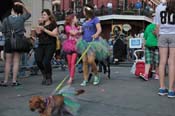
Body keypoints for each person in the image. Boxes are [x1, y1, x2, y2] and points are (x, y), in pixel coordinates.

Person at [76, 4, 109, 86]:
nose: (83, 12)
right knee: (84, 61)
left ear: (88, 11)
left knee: (91, 61)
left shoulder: (95, 19)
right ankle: (85, 79)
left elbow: (99, 29)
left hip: (93, 43)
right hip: (84, 43)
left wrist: (96, 34)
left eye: (84, 10)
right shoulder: (84, 21)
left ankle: (96, 75)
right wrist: (80, 31)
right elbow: (83, 30)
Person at [0, 2, 31, 87]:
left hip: (9, 42)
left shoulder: (6, 19)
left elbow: (2, 30)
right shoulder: (21, 18)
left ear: (12, 10)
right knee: (16, 61)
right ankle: (14, 81)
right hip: (18, 42)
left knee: (8, 62)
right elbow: (29, 14)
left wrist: (8, 35)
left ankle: (5, 81)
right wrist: (23, 6)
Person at [154, 0, 175, 98]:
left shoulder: (159, 7)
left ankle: (162, 88)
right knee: (172, 62)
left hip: (162, 35)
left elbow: (157, 26)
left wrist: (158, 37)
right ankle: (171, 90)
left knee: (162, 62)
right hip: (174, 35)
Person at [35, 9, 58, 85]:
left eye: (44, 14)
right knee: (38, 59)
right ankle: (44, 74)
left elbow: (54, 34)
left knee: (46, 61)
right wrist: (37, 29)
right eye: (42, 15)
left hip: (50, 45)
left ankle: (49, 77)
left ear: (49, 16)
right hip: (41, 44)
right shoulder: (41, 24)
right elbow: (38, 35)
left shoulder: (53, 24)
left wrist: (44, 29)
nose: (43, 16)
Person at [62, 14, 80, 84]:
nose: (77, 19)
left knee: (73, 63)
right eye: (76, 18)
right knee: (69, 63)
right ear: (72, 19)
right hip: (69, 46)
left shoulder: (76, 27)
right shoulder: (67, 27)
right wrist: (79, 30)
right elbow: (73, 33)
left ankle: (71, 78)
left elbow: (78, 36)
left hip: (75, 46)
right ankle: (71, 75)